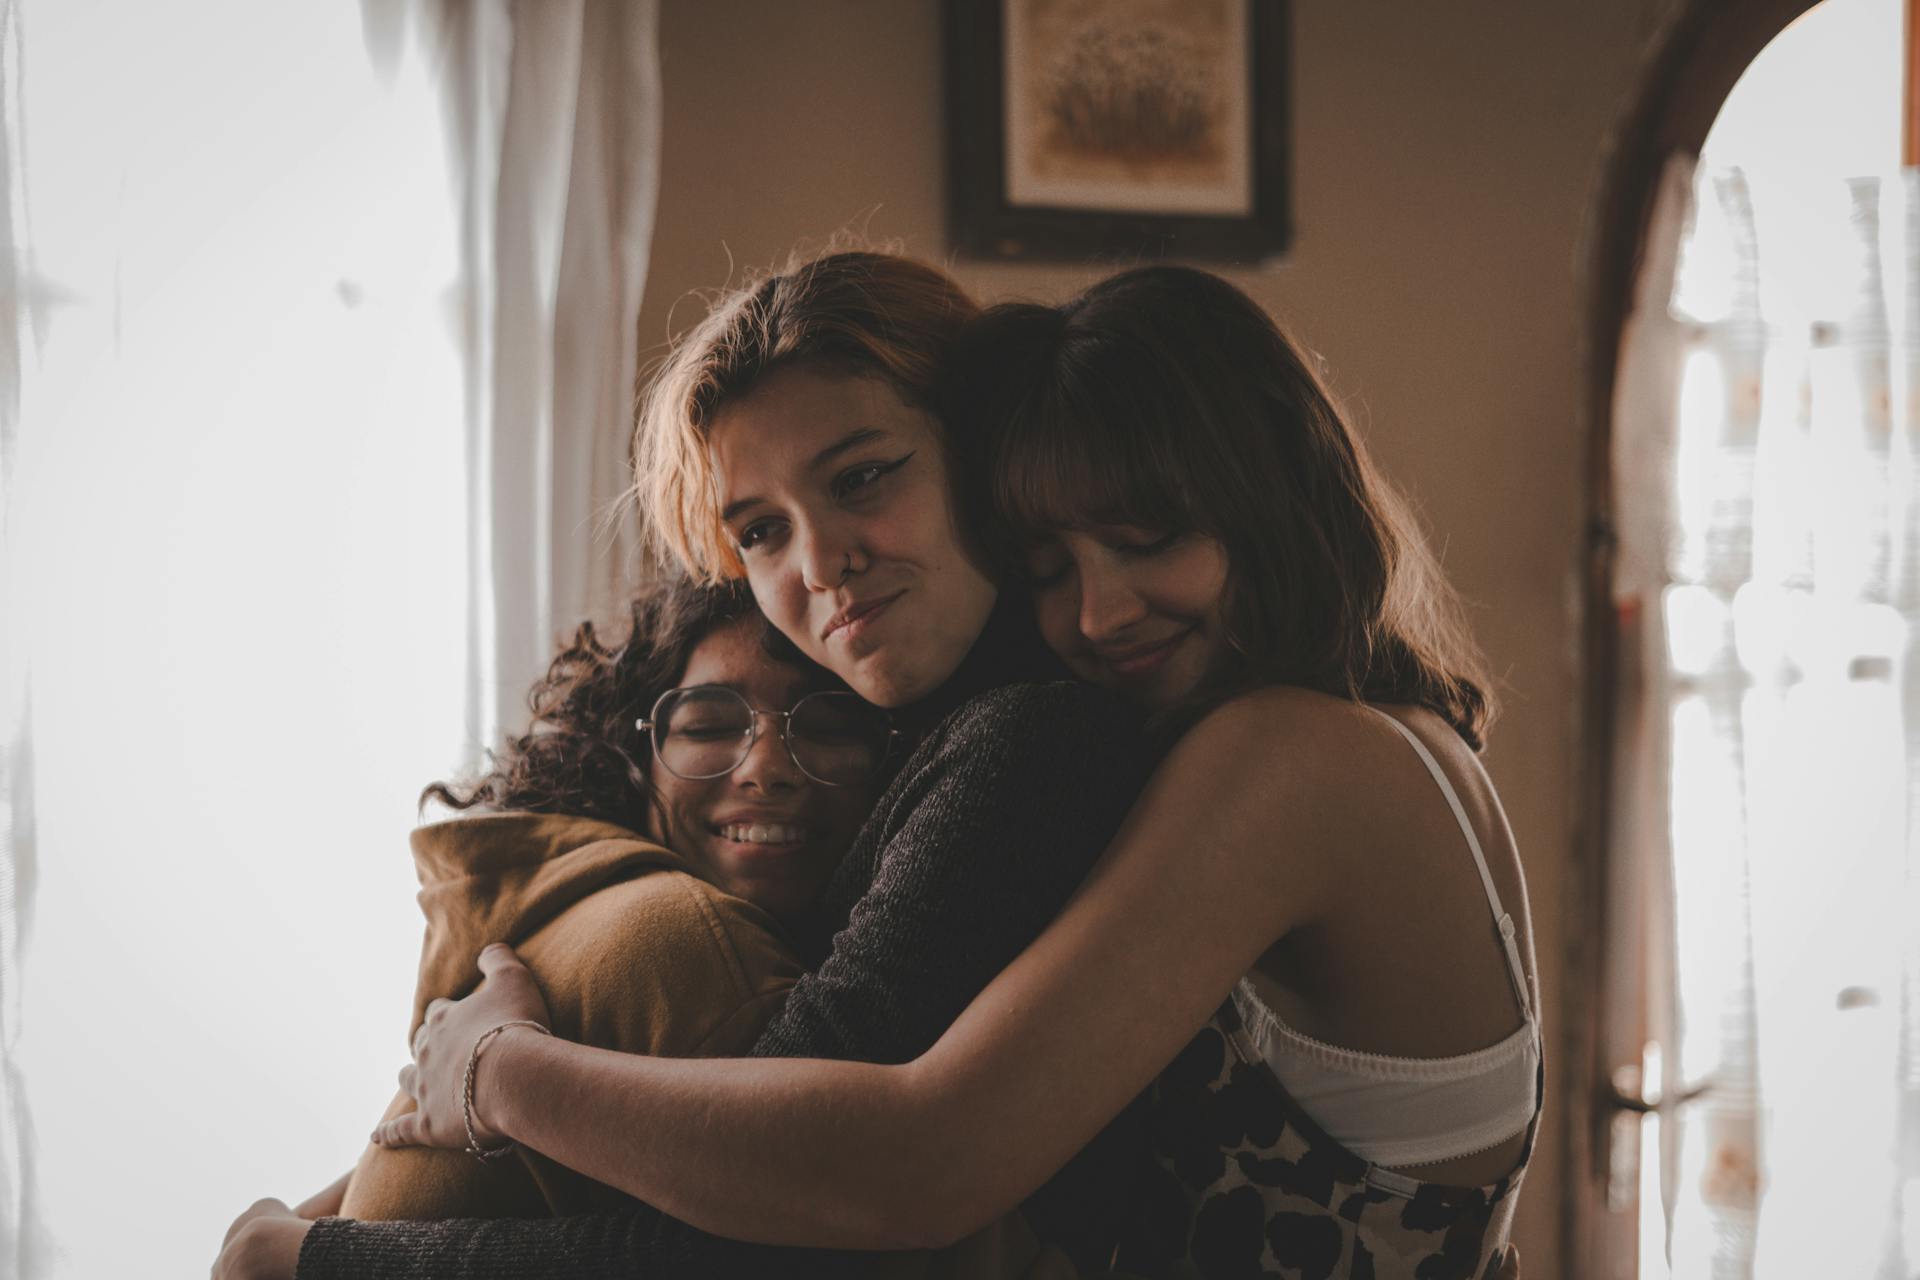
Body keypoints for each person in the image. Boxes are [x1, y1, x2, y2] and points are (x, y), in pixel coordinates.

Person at [357, 263, 1543, 1279]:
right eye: (1047, 561)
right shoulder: (1344, 733)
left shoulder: (1286, 755)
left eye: (1147, 540)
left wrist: (497, 1075)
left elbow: (902, 1167)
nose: (1099, 608)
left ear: (1270, 503)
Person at [213, 252, 1162, 1280]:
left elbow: (771, 1227)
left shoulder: (1028, 742)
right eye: (761, 530)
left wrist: (323, 1252)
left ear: (979, 449)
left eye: (862, 476)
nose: (818, 561)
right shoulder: (914, 749)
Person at [290, 576, 882, 1225]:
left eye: (827, 725)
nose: (765, 766)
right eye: (709, 723)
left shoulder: (563, 907)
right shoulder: (694, 942)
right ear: (635, 755)